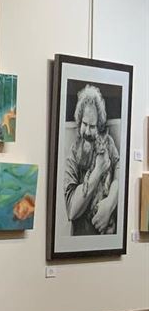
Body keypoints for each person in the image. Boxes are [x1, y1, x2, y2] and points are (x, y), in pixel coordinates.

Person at [63, 83, 119, 236]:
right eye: (84, 124)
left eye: (92, 126)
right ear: (79, 121)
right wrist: (98, 170)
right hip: (82, 237)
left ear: (99, 126)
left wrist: (110, 202)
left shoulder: (107, 142)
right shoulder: (73, 153)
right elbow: (72, 210)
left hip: (108, 235)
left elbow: (121, 169)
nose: (87, 131)